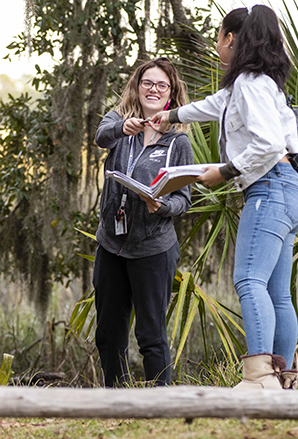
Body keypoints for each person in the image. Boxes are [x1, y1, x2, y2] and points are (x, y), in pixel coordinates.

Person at [154, 5, 298, 389]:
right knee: (277, 293)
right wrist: (169, 117)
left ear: (231, 39)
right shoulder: (262, 84)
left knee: (248, 280)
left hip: (269, 187)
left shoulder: (249, 84)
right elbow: (212, 106)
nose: (218, 46)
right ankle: (283, 379)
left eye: (219, 37)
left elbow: (269, 145)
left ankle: (259, 379)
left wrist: (223, 171)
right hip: (289, 190)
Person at [94, 57, 194, 387]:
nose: (153, 89)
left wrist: (162, 204)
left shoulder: (178, 142)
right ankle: (116, 400)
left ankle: (160, 406)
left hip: (153, 250)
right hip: (111, 244)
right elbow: (100, 137)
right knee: (109, 334)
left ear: (171, 94)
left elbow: (184, 200)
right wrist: (121, 128)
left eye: (161, 85)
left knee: (151, 335)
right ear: (137, 88)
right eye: (147, 83)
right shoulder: (119, 122)